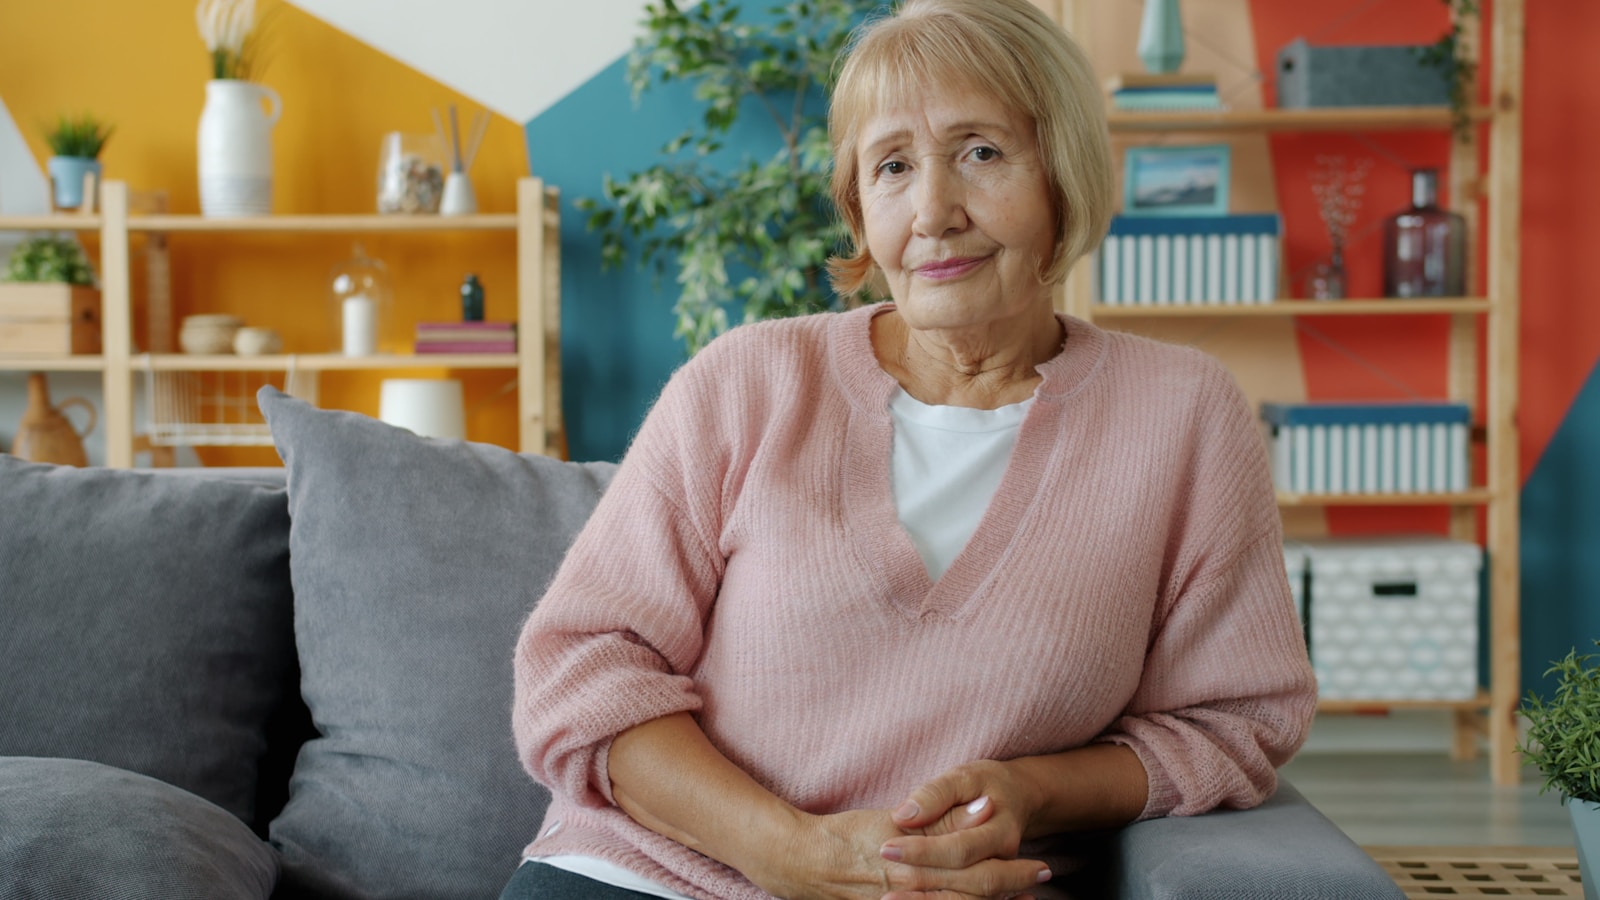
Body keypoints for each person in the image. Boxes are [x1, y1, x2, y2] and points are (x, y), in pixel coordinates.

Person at [503, 0, 1317, 897]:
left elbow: (1233, 723)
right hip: (644, 877)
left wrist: (1031, 791)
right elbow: (585, 669)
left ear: (1063, 176)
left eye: (981, 152)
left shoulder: (1182, 416)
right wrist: (782, 851)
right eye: (893, 166)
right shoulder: (748, 382)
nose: (934, 211)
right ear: (860, 210)